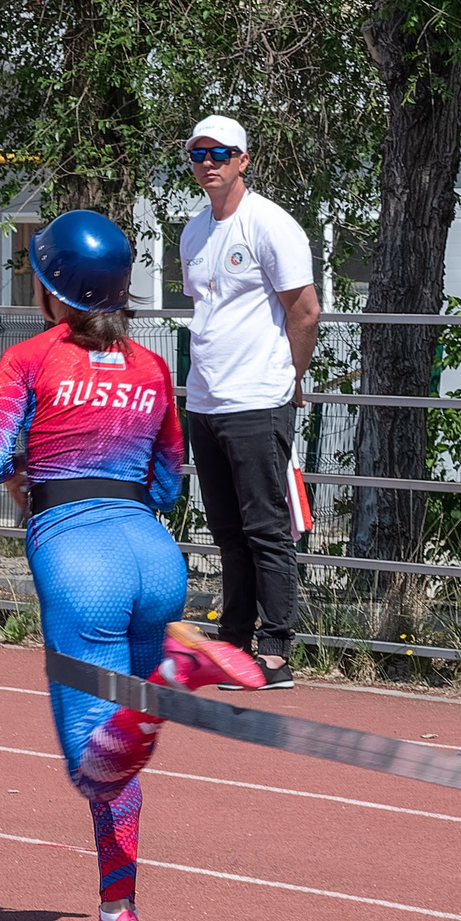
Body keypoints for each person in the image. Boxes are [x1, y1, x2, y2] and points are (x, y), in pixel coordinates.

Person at [0, 210, 266, 921]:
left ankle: (181, 670)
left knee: (92, 761)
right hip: (153, 555)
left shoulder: (29, 359)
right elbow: (168, 483)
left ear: (49, 291)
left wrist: (22, 476)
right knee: (120, 755)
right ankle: (117, 913)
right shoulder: (151, 367)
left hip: (80, 561)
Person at [178, 114, 318, 688]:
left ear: (243, 160)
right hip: (206, 402)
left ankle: (277, 651)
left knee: (266, 527)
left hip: (258, 398)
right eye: (197, 153)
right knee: (226, 529)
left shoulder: (270, 225)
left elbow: (304, 311)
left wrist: (290, 378)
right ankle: (233, 641)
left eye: (219, 152)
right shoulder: (192, 231)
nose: (207, 162)